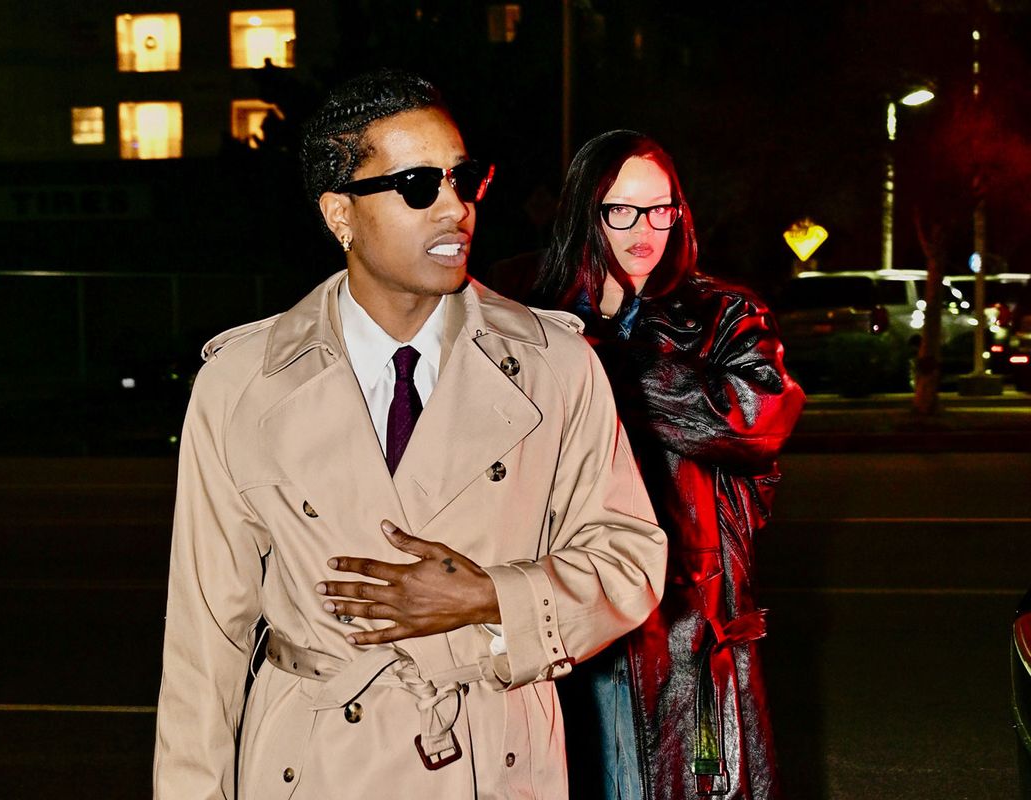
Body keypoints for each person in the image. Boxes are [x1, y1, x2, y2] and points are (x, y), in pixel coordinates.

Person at [153, 71, 668, 799]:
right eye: (419, 185)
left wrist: (493, 597)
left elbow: (629, 559)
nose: (456, 209)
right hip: (315, 763)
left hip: (494, 754)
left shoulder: (556, 367)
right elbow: (205, 645)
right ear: (341, 215)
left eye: (465, 179)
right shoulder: (243, 383)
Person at [528, 130, 805, 799]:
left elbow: (753, 417)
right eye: (620, 210)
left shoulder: (723, 314)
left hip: (687, 631)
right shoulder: (537, 321)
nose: (644, 228)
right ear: (585, 213)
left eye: (661, 209)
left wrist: (617, 355)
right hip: (571, 619)